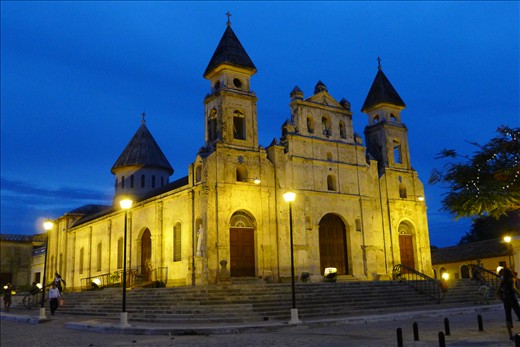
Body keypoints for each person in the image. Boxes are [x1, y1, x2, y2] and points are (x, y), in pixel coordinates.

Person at [497, 268, 520, 340]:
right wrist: (519, 293)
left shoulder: (502, 281)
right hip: (512, 299)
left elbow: (498, 292)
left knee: (508, 317)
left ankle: (510, 336)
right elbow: (514, 288)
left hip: (506, 301)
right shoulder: (511, 279)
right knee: (519, 314)